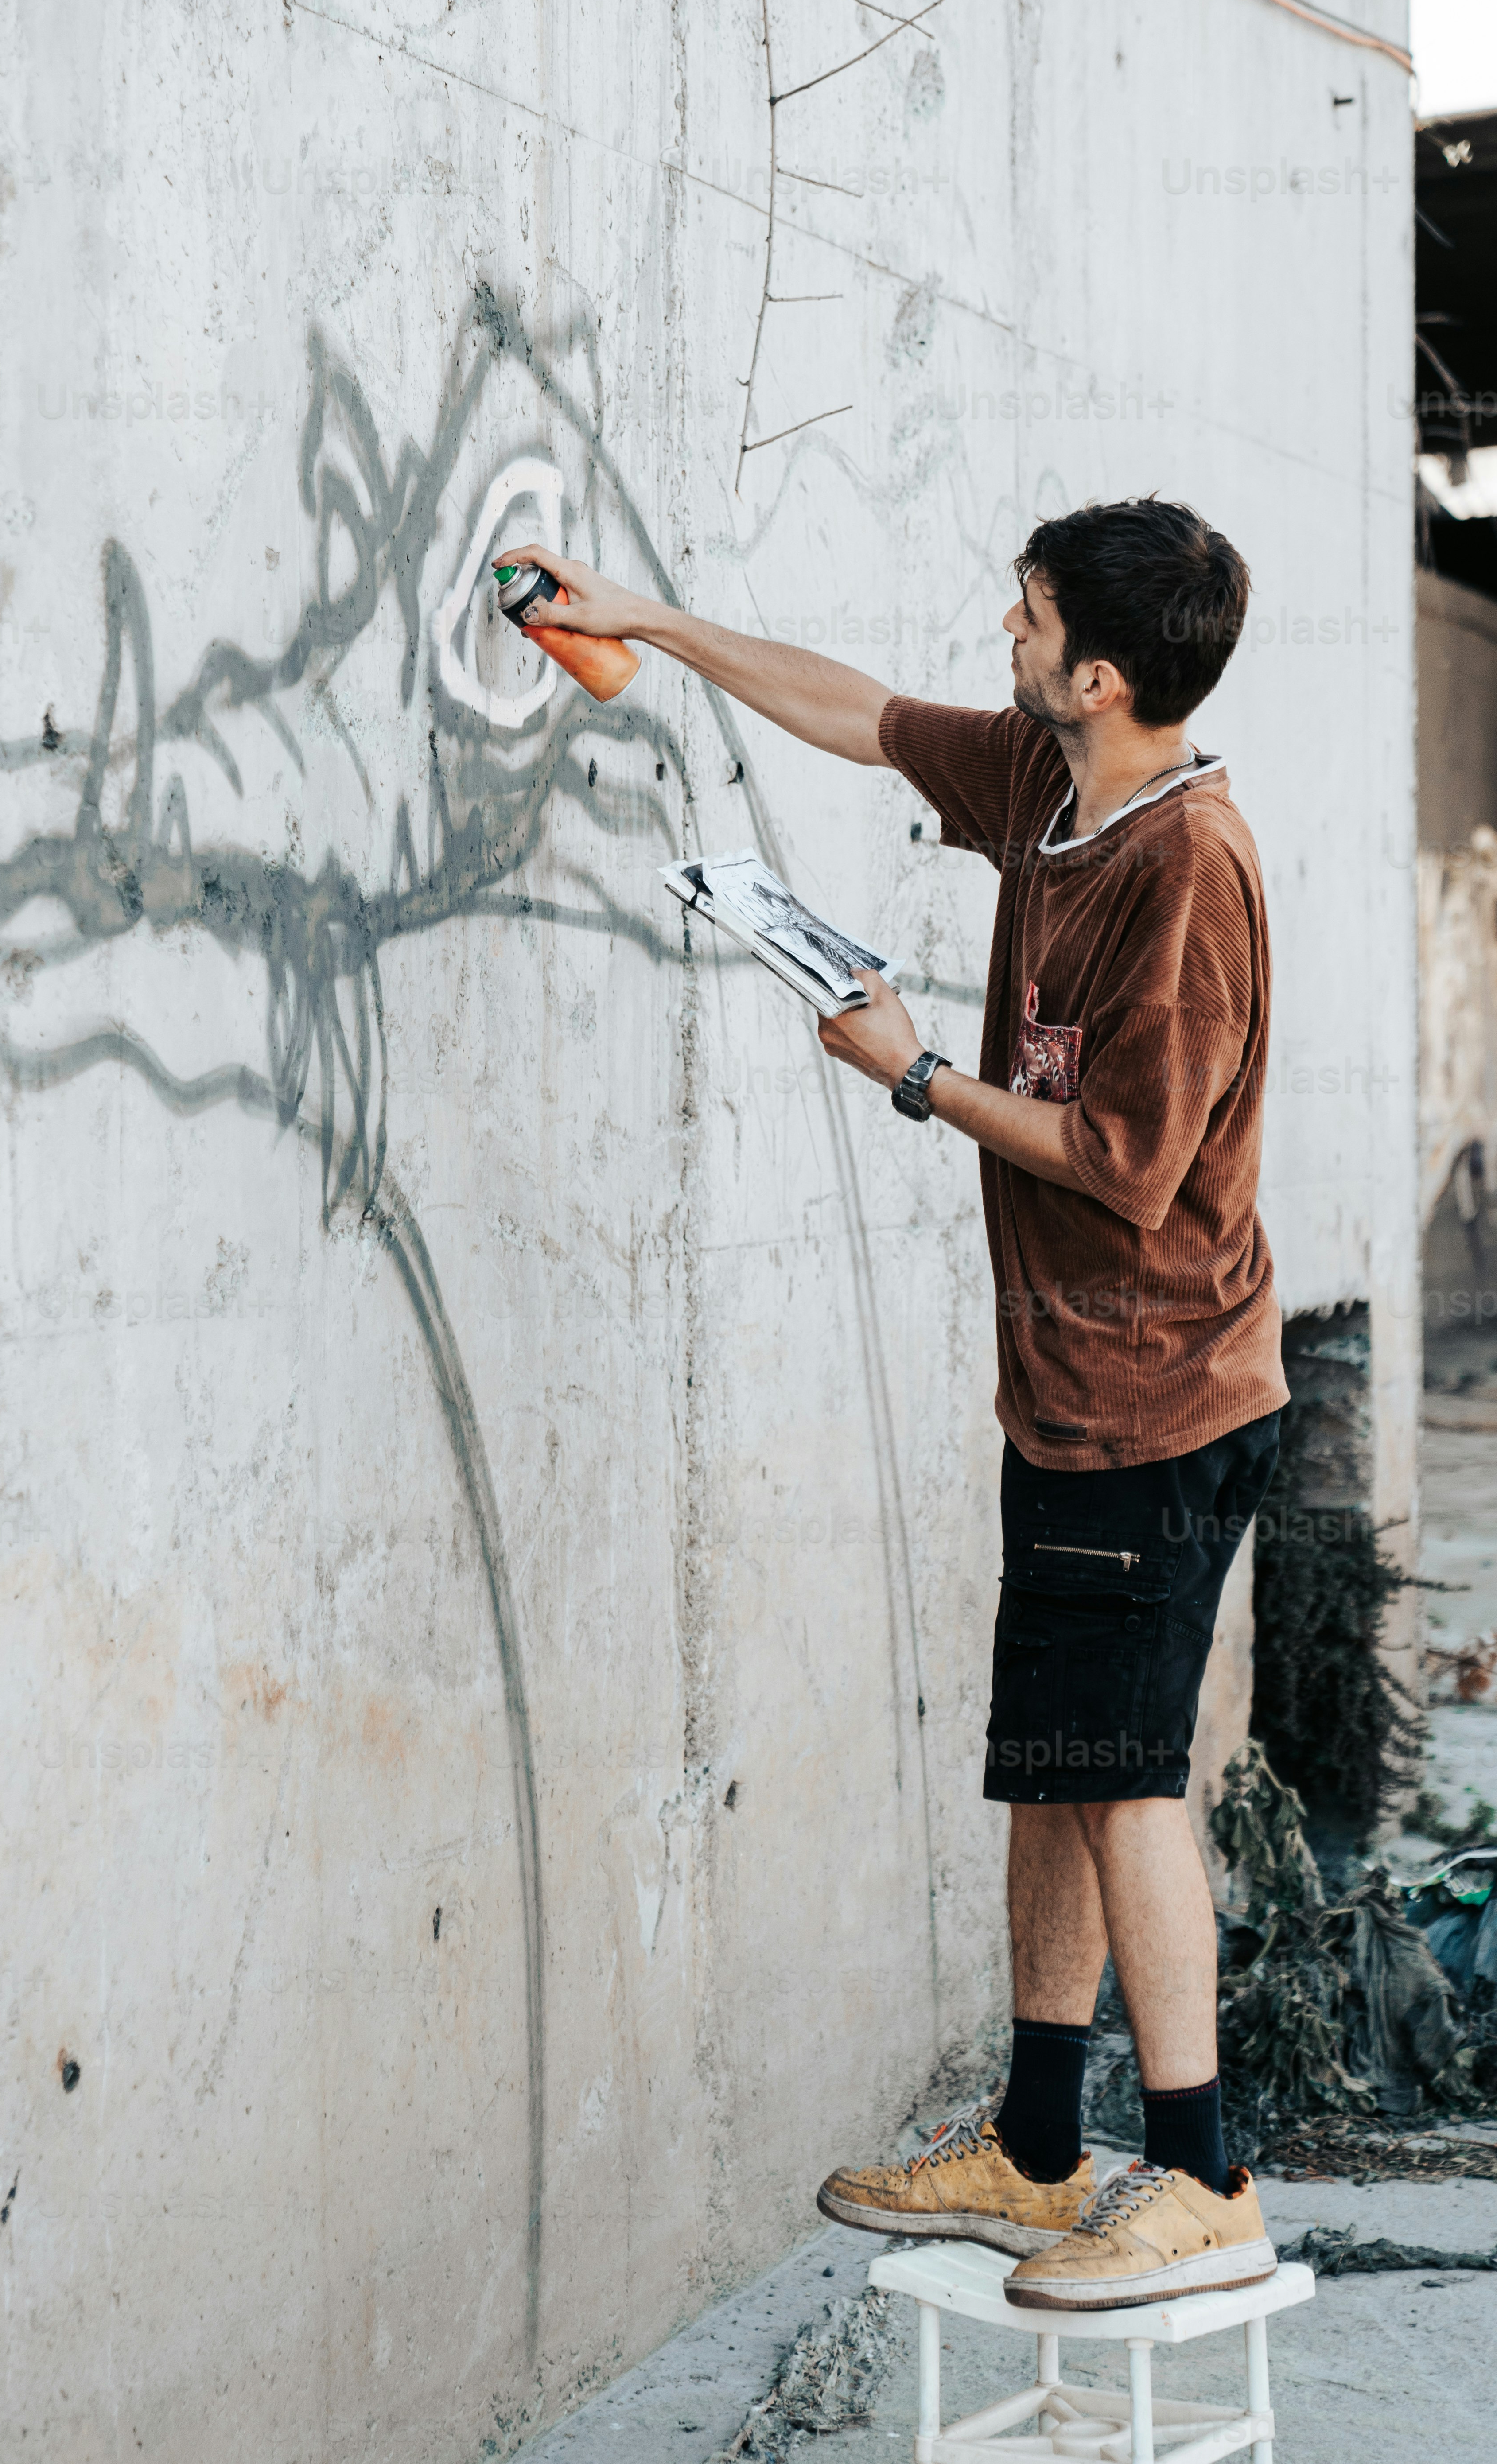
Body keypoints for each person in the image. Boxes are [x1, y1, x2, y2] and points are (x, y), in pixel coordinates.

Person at [498, 498, 1288, 2312]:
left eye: (1024, 619)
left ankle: (1203, 2174)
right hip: (1070, 1397)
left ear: (1099, 672)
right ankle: (1030, 2146)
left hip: (1158, 1408)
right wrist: (655, 620)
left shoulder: (1186, 869)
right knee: (1056, 1771)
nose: (997, 637)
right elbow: (863, 715)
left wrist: (915, 1069)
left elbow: (1129, 1163)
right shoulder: (1057, 781)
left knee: (1129, 1783)